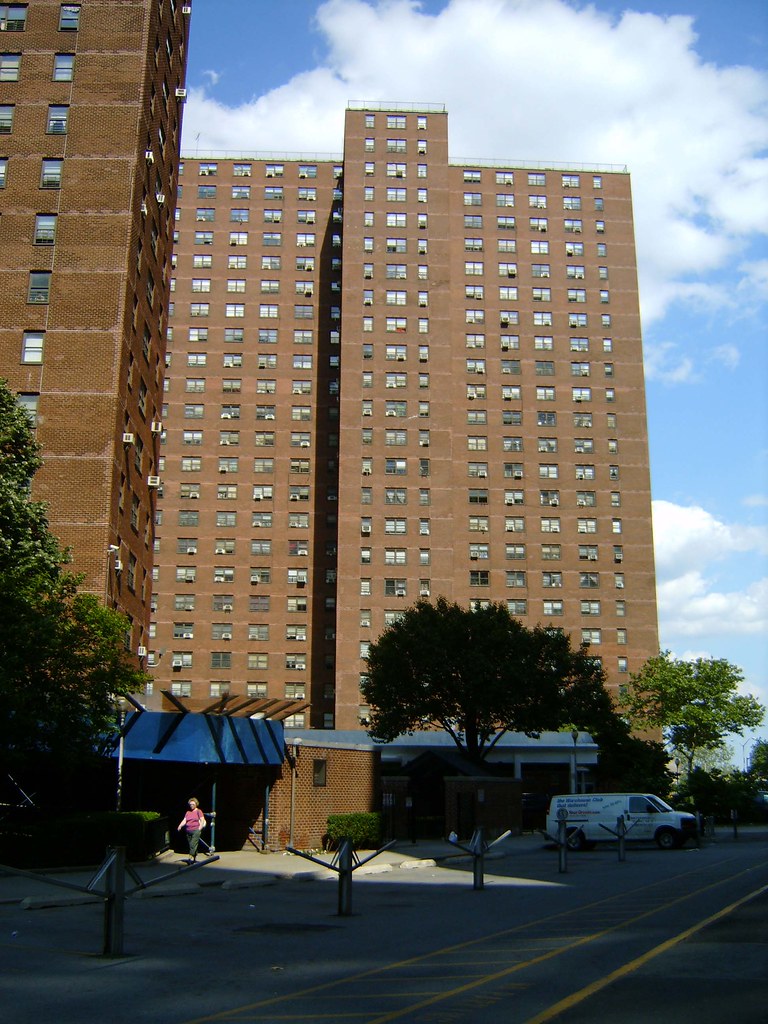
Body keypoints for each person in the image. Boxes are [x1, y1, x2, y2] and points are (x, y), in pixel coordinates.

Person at [177, 797, 206, 862]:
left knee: (193, 844)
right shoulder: (188, 812)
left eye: (193, 804)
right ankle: (194, 857)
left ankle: (190, 857)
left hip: (196, 830)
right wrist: (180, 825)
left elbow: (202, 820)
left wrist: (199, 828)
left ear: (196, 804)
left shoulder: (199, 811)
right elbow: (184, 820)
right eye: (190, 804)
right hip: (188, 830)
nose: (191, 806)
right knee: (191, 845)